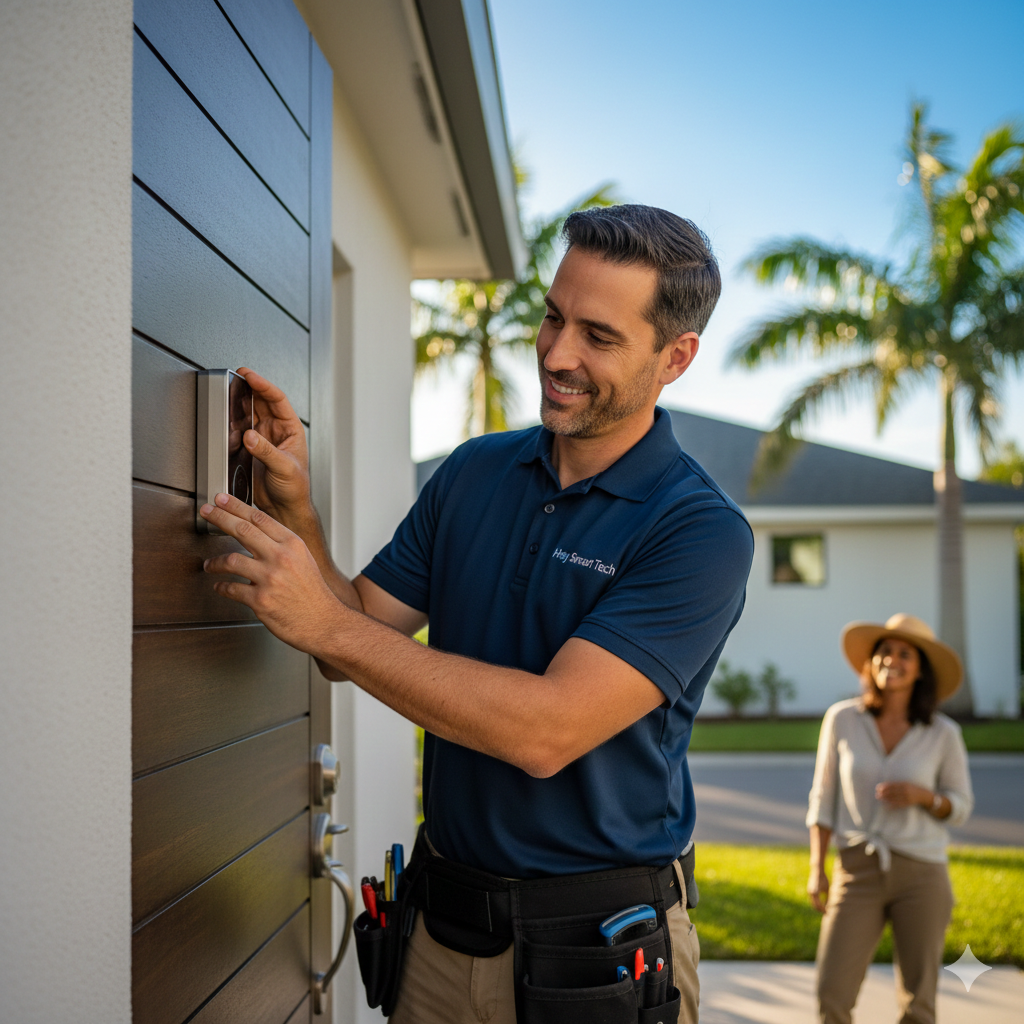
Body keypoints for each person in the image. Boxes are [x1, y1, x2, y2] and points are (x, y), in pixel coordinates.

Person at [199, 205, 754, 1024]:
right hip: (439, 932)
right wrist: (297, 512)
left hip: (596, 952)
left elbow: (546, 731)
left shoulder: (697, 529)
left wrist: (329, 625)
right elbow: (352, 634)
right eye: (554, 318)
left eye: (598, 337)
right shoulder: (474, 473)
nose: (557, 355)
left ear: (675, 358)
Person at [806, 613, 974, 1024]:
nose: (891, 661)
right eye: (883, 652)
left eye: (904, 654)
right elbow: (823, 799)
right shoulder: (842, 719)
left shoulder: (943, 733)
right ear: (870, 662)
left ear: (920, 671)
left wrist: (925, 798)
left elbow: (961, 806)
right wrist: (817, 868)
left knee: (919, 1002)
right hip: (856, 869)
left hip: (922, 874)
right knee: (832, 993)